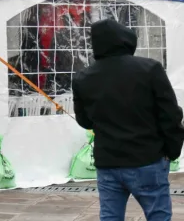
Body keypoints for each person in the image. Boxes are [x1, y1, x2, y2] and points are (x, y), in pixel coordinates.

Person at [73, 19, 184, 221]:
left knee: (110, 217)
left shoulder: (83, 77)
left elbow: (85, 121)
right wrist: (172, 151)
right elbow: (170, 114)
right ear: (126, 40)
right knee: (158, 215)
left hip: (108, 162)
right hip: (148, 159)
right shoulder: (150, 69)